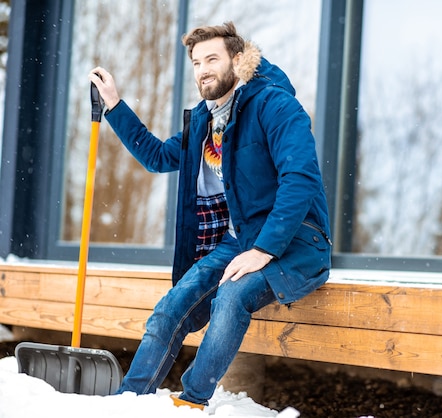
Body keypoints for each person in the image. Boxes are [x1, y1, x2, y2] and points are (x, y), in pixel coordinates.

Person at [88, 21, 332, 409]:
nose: (203, 69)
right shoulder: (205, 120)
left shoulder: (275, 105)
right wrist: (115, 105)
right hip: (241, 242)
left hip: (298, 243)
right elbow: (156, 157)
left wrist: (264, 249)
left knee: (231, 297)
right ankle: (129, 402)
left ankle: (192, 402)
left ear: (238, 60)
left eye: (212, 58)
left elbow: (300, 178)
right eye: (197, 62)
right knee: (172, 306)